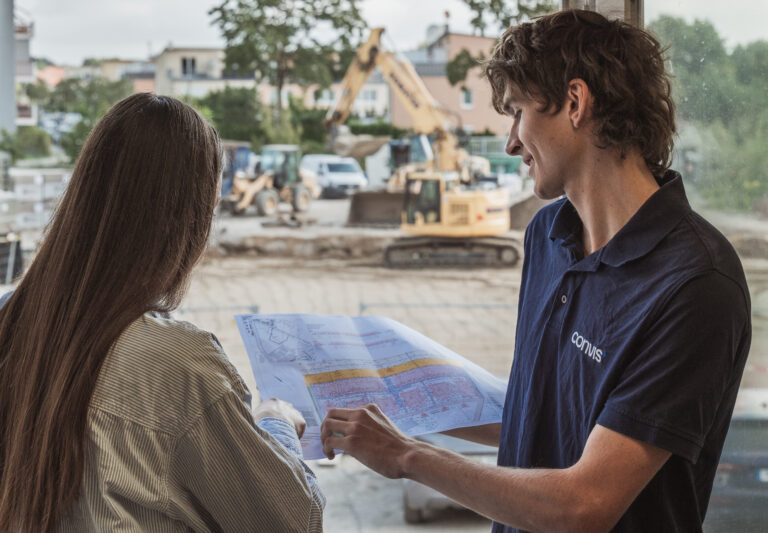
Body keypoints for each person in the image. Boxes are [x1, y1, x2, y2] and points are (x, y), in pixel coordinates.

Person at [321, 9, 751, 532]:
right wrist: (406, 401)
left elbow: (584, 505)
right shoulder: (548, 235)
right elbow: (541, 415)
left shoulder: (695, 284)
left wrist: (407, 455)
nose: (510, 143)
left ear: (575, 102)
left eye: (518, 111)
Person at [0, 93, 324, 532]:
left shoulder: (12, 318)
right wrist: (276, 424)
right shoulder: (175, 363)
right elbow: (296, 521)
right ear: (188, 221)